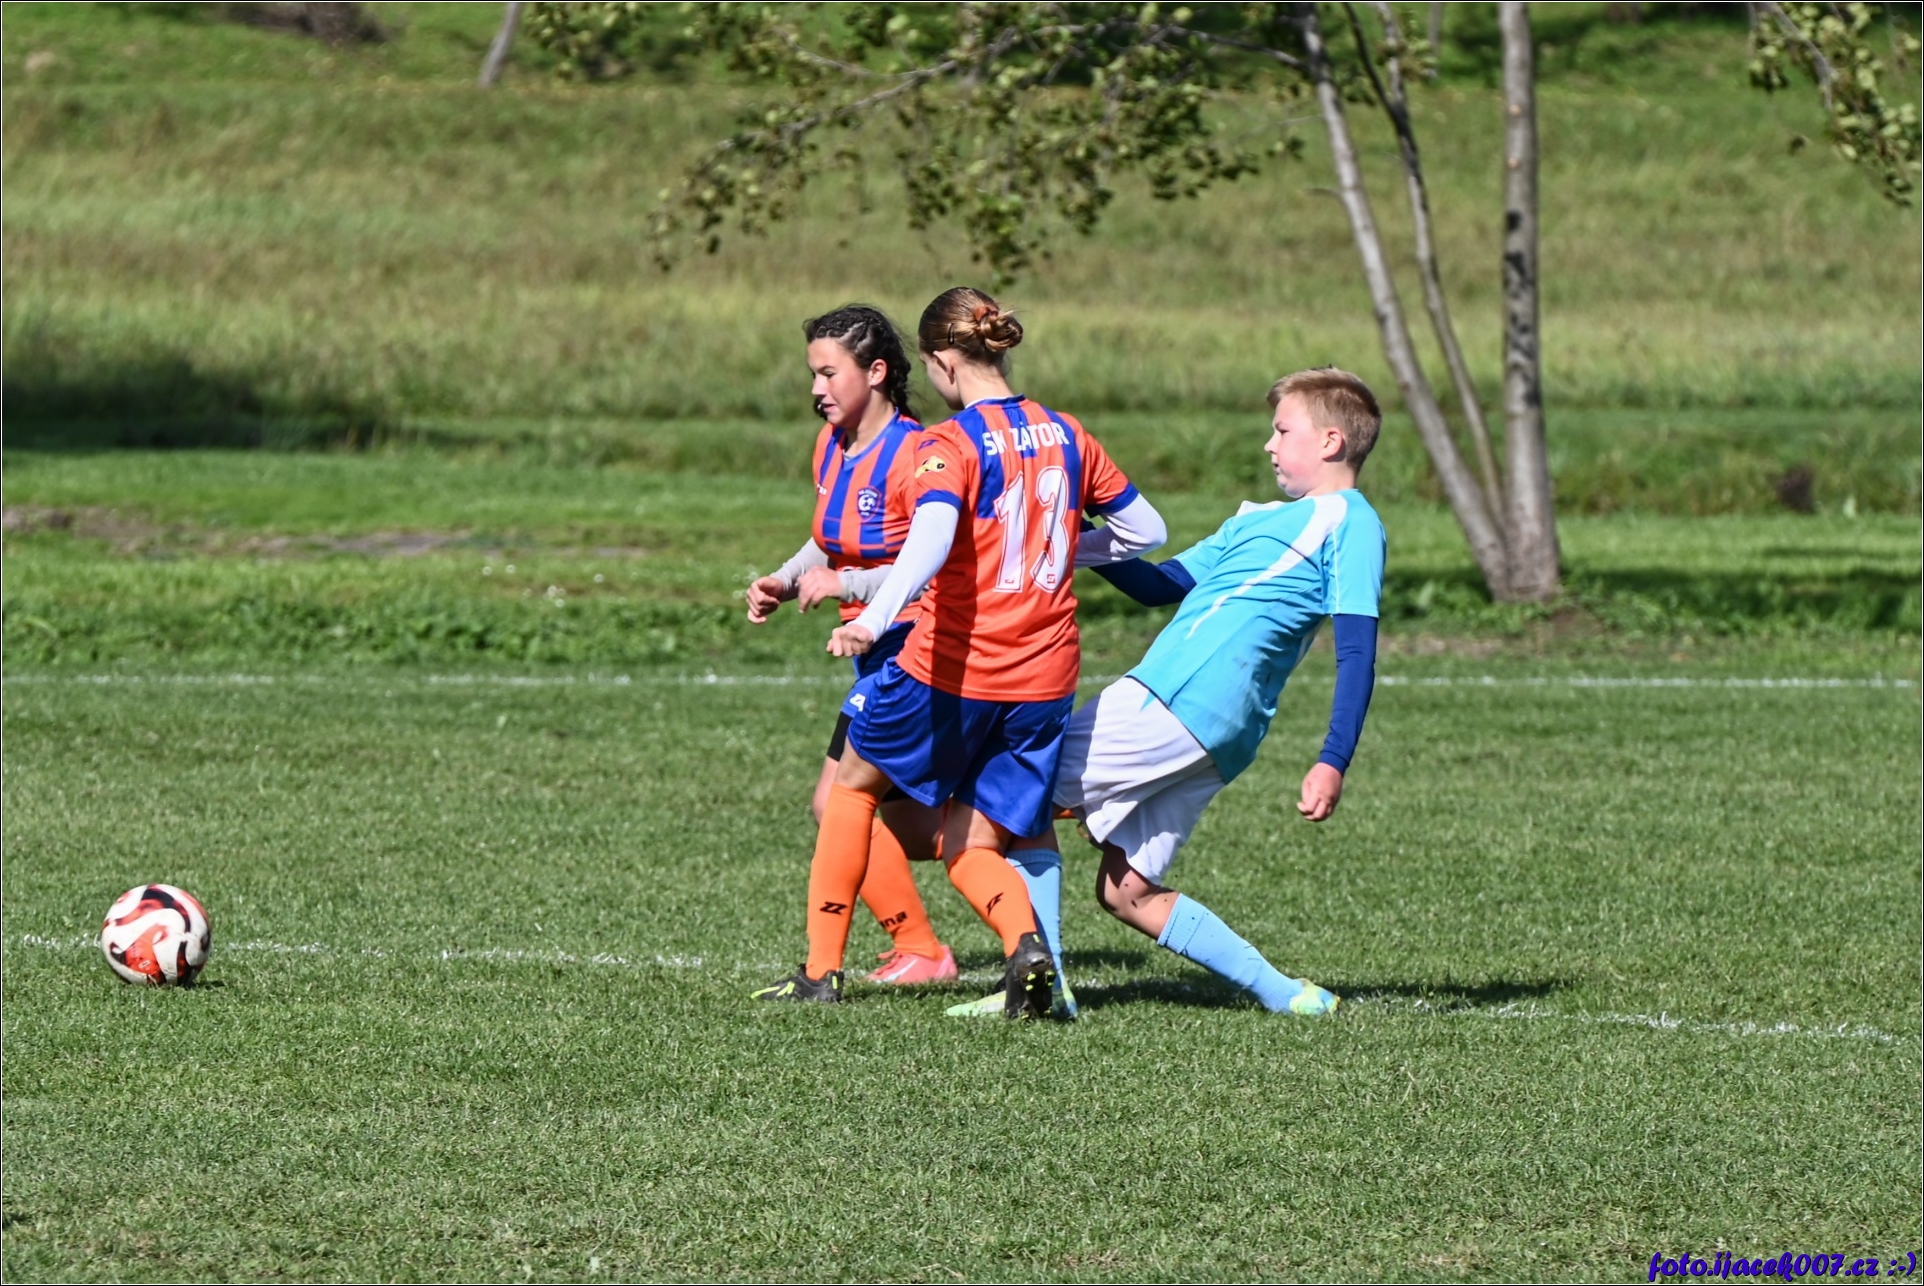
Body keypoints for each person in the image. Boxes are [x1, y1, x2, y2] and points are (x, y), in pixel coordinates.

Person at [754, 287, 1168, 1015]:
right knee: (969, 841)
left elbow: (933, 537)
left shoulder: (948, 442)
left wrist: (873, 618)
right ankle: (1024, 948)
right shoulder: (1068, 432)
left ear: (942, 362)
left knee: (849, 789)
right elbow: (1147, 532)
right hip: (1045, 677)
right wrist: (1054, 552)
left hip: (957, 665)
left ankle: (821, 972)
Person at [950, 367, 1384, 1018]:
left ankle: (1048, 987)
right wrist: (1069, 523)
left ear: (1330, 441)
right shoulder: (1257, 520)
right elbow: (1160, 585)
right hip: (1220, 734)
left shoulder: (1350, 521)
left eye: (1282, 430)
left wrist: (1333, 757)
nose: (1269, 444)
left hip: (1174, 701)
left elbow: (1356, 651)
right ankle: (1291, 997)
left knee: (1019, 795)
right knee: (1127, 891)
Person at [745, 304, 958, 986]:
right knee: (886, 818)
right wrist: (784, 579)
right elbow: (828, 534)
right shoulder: (832, 444)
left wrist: (849, 584)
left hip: (916, 646)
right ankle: (1010, 832)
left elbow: (930, 562)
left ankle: (921, 948)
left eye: (829, 373)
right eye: (812, 374)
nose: (817, 389)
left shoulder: (916, 454)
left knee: (836, 802)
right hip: (871, 650)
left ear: (877, 372)